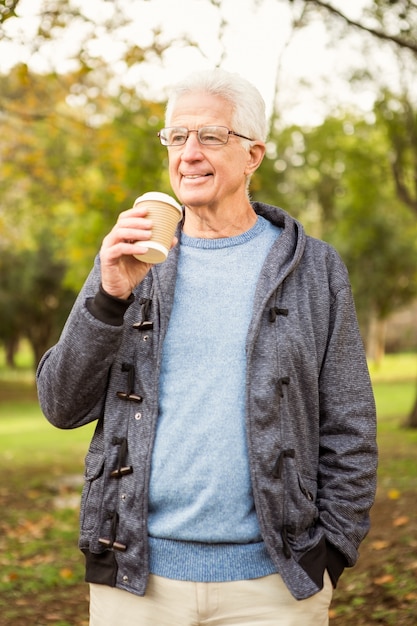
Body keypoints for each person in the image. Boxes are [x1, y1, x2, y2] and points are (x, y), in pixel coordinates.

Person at [36, 68, 378, 626]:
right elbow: (60, 405)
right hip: (136, 583)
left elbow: (350, 423)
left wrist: (331, 552)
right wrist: (108, 297)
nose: (188, 153)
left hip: (273, 587)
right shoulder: (127, 259)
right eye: (176, 137)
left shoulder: (314, 268)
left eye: (210, 136)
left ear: (253, 155)